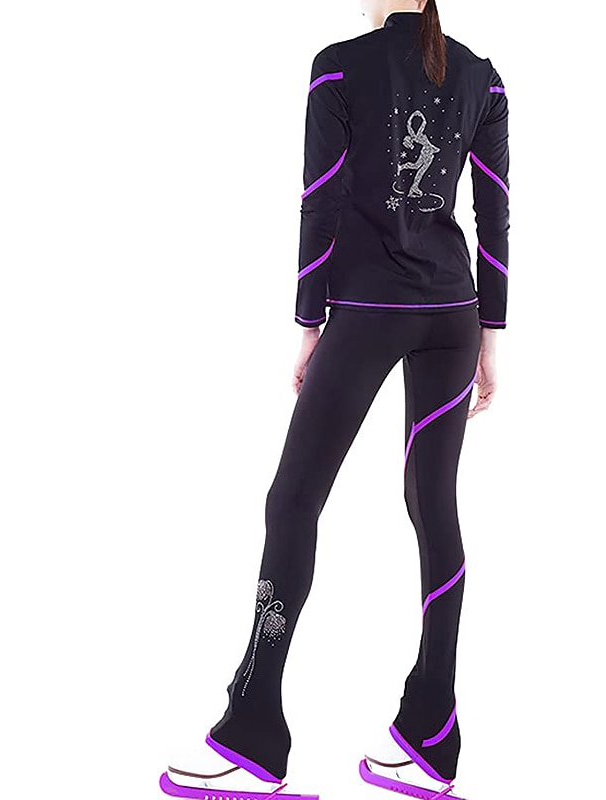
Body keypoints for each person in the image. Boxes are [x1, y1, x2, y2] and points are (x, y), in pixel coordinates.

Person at [158, 0, 509, 798]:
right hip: (452, 316)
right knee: (433, 506)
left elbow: (319, 196)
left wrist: (308, 321)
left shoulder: (340, 65)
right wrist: (491, 333)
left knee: (292, 502)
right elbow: (495, 212)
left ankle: (252, 735)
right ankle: (433, 735)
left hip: (368, 311)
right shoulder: (483, 78)